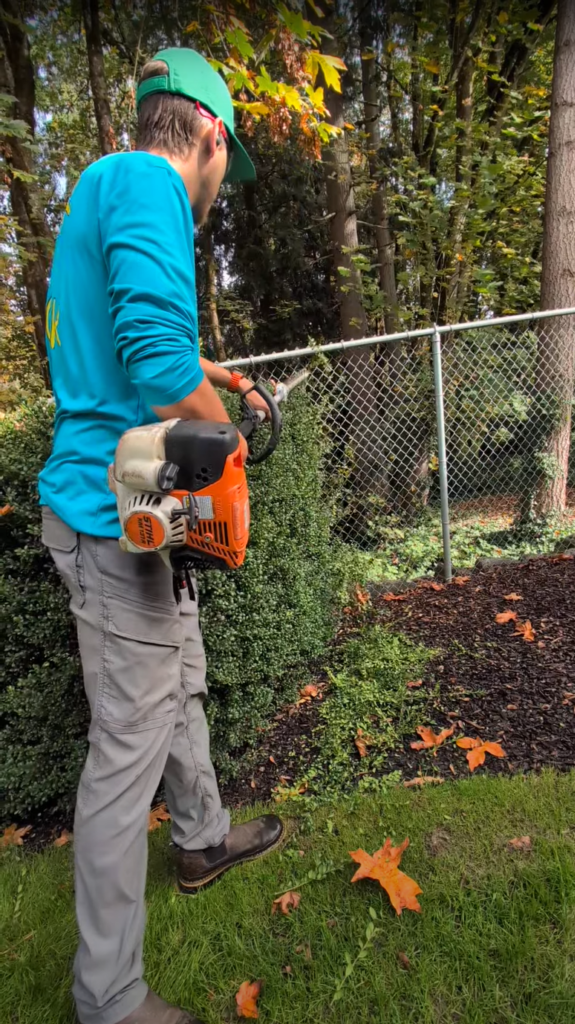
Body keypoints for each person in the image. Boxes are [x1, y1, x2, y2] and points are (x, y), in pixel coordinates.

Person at [38, 48, 284, 1024]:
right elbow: (146, 356)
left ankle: (201, 838)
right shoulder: (150, 184)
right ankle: (108, 995)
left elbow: (138, 342)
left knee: (178, 671)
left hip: (120, 487)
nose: (222, 189)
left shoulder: (104, 184)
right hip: (119, 504)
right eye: (229, 168)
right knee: (125, 745)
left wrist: (216, 377)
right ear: (212, 138)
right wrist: (223, 448)